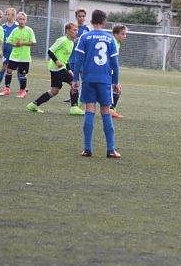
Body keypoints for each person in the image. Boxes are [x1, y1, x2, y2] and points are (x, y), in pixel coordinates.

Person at [71, 9, 121, 158]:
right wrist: (115, 82)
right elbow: (115, 64)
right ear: (104, 21)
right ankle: (111, 149)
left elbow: (78, 60)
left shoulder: (85, 37)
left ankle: (87, 149)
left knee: (89, 110)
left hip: (88, 79)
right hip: (104, 79)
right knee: (106, 111)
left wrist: (75, 79)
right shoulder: (110, 39)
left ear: (91, 21)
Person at [25, 22, 84, 115]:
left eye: (77, 30)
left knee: (54, 91)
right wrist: (57, 61)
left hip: (60, 68)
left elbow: (66, 59)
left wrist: (69, 70)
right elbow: (50, 51)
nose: (76, 32)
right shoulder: (62, 40)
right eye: (74, 30)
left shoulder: (71, 43)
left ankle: (33, 105)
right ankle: (74, 107)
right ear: (68, 31)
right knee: (74, 84)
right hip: (57, 68)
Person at [0, 11, 36, 98]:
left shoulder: (29, 30)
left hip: (24, 58)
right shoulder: (15, 30)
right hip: (14, 56)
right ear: (17, 20)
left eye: (23, 19)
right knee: (9, 71)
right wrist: (15, 44)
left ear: (26, 20)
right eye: (20, 19)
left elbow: (33, 42)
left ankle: (22, 91)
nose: (22, 21)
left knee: (22, 75)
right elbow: (8, 41)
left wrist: (22, 43)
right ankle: (7, 89)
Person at [0, 7, 17, 90]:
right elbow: (1, 40)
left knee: (19, 70)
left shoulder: (17, 26)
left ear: (13, 16)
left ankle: (23, 87)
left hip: (15, 50)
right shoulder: (3, 26)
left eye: (9, 14)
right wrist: (0, 50)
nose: (7, 16)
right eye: (6, 14)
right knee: (4, 68)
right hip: (6, 51)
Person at [109, 24, 127, 118]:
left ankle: (111, 109)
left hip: (107, 70)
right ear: (115, 34)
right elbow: (112, 61)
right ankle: (111, 109)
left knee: (116, 88)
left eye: (125, 34)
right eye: (122, 34)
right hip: (107, 70)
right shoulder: (113, 43)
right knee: (116, 87)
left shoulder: (116, 42)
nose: (125, 36)